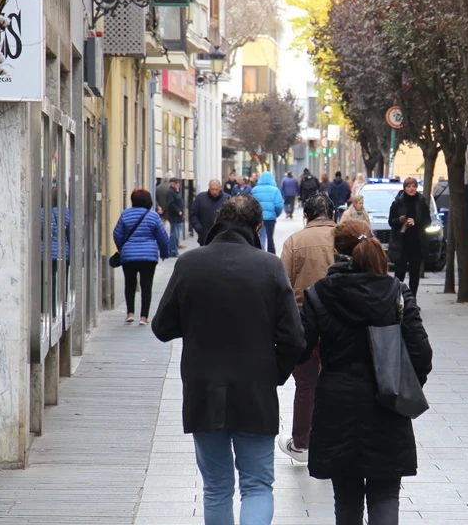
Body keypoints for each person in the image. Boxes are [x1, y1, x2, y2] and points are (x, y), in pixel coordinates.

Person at [150, 195, 306, 525]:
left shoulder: (189, 264)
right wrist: (273, 373)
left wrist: (194, 321)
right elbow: (294, 337)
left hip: (203, 391)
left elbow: (162, 327)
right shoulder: (269, 267)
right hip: (256, 392)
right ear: (258, 226)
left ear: (219, 220)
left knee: (217, 487)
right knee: (258, 486)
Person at [300, 219, 432, 525]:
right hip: (387, 404)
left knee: (346, 499)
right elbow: (421, 353)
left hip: (337, 404)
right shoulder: (397, 292)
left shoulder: (319, 294)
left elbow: (300, 347)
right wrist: (403, 383)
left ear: (337, 252)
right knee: (385, 494)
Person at [277, 194, 338, 464]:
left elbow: (282, 285)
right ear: (332, 213)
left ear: (306, 216)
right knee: (339, 381)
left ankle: (302, 443)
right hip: (342, 321)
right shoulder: (347, 237)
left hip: (305, 321)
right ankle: (334, 441)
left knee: (306, 385)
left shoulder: (295, 241)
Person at [113, 189, 170, 325]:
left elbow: (117, 234)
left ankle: (130, 313)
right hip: (148, 257)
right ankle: (144, 317)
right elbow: (162, 236)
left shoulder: (125, 214)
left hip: (129, 257)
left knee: (130, 283)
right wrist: (164, 252)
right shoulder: (153, 216)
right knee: (146, 285)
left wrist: (123, 248)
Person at [388, 177, 431, 298]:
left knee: (414, 272)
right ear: (404, 188)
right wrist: (400, 220)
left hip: (416, 242)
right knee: (400, 272)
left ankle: (412, 299)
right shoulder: (397, 202)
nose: (411, 189)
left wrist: (415, 221)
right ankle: (398, 298)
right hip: (401, 242)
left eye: (414, 186)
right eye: (409, 186)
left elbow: (427, 221)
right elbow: (391, 222)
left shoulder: (421, 202)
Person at [251, 171, 285, 254]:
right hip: (270, 218)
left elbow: (251, 204)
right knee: (270, 238)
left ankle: (259, 253)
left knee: (259, 237)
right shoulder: (275, 190)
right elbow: (279, 205)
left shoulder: (254, 190)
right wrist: (275, 214)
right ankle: (271, 255)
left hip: (258, 218)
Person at [190, 179, 229, 246]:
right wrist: (199, 228)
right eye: (212, 189)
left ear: (220, 188)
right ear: (209, 188)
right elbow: (193, 214)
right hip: (205, 235)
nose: (214, 191)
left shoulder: (227, 198)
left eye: (216, 189)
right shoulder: (200, 198)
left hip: (222, 236)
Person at [165, 178, 186, 255]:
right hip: (174, 216)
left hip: (178, 217)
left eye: (179, 183)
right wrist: (178, 211)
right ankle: (172, 250)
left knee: (176, 234)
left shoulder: (176, 192)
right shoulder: (171, 192)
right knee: (174, 234)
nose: (178, 184)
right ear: (171, 183)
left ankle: (174, 250)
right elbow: (171, 204)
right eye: (176, 183)